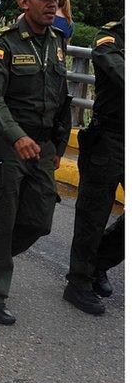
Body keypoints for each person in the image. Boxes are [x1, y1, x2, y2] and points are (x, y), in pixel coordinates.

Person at [0, 0, 72, 325]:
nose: (52, 4)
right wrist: (16, 135)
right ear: (23, 2)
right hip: (8, 142)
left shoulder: (58, 42)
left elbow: (63, 99)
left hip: (42, 146)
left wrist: (59, 142)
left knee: (39, 220)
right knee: (2, 219)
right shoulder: (5, 43)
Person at [64, 18, 124, 314]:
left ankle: (100, 260)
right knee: (94, 212)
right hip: (110, 138)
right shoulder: (109, 38)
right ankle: (78, 282)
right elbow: (117, 72)